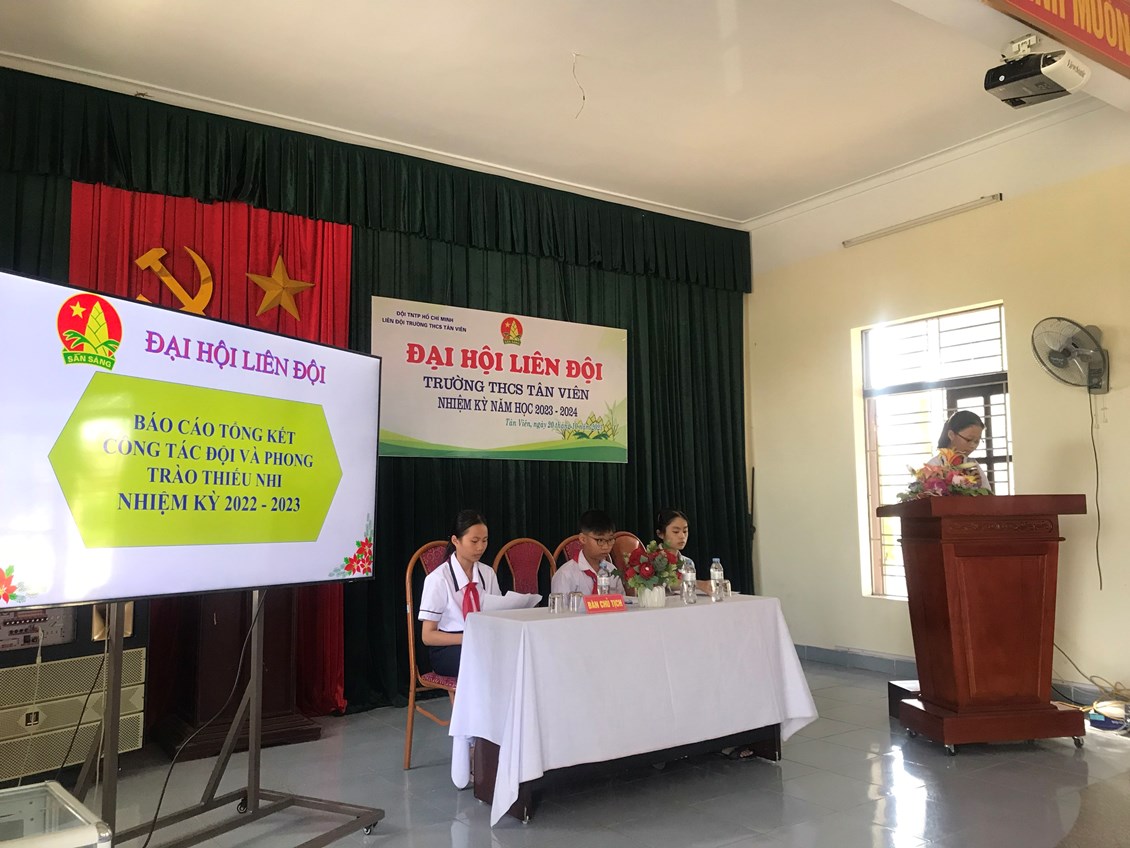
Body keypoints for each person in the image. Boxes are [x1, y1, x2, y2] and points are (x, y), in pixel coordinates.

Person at [417, 509, 500, 788]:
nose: (480, 547)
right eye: (474, 541)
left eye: (485, 541)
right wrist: (468, 638)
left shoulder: (487, 574)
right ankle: (472, 744)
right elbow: (428, 636)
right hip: (449, 648)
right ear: (455, 540)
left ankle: (498, 740)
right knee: (477, 666)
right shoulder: (438, 579)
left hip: (481, 645)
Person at [551, 509, 626, 596]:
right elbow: (560, 604)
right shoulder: (565, 574)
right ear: (583, 539)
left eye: (610, 540)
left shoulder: (612, 570)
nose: (606, 547)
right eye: (600, 540)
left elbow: (622, 601)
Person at [929, 410, 990, 490]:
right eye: (969, 439)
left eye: (976, 441)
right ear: (951, 435)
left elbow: (989, 494)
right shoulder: (934, 466)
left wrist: (979, 487)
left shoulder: (972, 465)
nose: (973, 446)